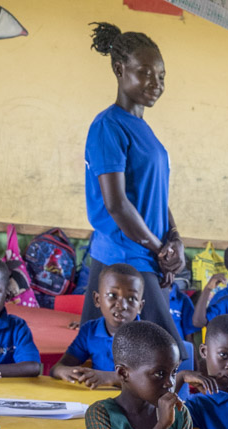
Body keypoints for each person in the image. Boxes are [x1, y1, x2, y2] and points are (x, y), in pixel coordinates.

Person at [78, 21, 185, 348]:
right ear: (119, 68)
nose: (156, 83)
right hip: (125, 253)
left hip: (147, 252)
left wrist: (174, 239)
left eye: (162, 76)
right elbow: (116, 204)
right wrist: (158, 249)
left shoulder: (144, 130)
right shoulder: (108, 127)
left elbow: (155, 196)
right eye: (146, 72)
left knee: (100, 347)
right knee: (172, 352)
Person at [83, 321, 194, 429]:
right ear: (123, 373)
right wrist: (162, 425)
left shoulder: (178, 414)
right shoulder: (102, 414)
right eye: (159, 373)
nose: (170, 383)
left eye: (174, 372)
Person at [50, 262, 145, 388]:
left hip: (136, 406)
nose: (122, 306)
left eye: (132, 299)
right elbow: (58, 368)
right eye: (112, 295)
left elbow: (150, 381)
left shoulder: (148, 337)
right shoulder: (90, 331)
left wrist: (110, 378)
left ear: (140, 306)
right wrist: (67, 372)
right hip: (98, 401)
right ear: (97, 300)